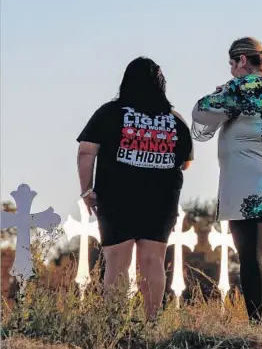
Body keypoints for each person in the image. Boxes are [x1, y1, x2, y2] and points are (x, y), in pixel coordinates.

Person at [191, 37, 262, 324]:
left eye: (232, 64)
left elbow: (200, 111)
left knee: (250, 256)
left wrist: (221, 93)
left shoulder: (241, 87)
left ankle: (256, 322)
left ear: (242, 60)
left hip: (245, 182)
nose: (231, 71)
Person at [76, 57, 194, 320]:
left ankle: (114, 323)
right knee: (153, 261)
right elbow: (186, 163)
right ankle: (150, 322)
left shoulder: (110, 112)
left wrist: (87, 190)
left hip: (117, 196)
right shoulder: (175, 120)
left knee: (117, 261)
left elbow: (86, 150)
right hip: (161, 199)